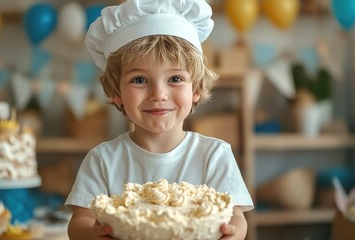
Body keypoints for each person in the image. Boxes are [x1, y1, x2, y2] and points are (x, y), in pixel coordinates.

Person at [65, 0, 254, 239]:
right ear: (116, 92)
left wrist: (232, 233)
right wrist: (93, 234)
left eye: (175, 79)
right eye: (140, 80)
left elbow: (236, 216)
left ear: (195, 88)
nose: (158, 95)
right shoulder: (102, 160)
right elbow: (80, 222)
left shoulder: (214, 155)